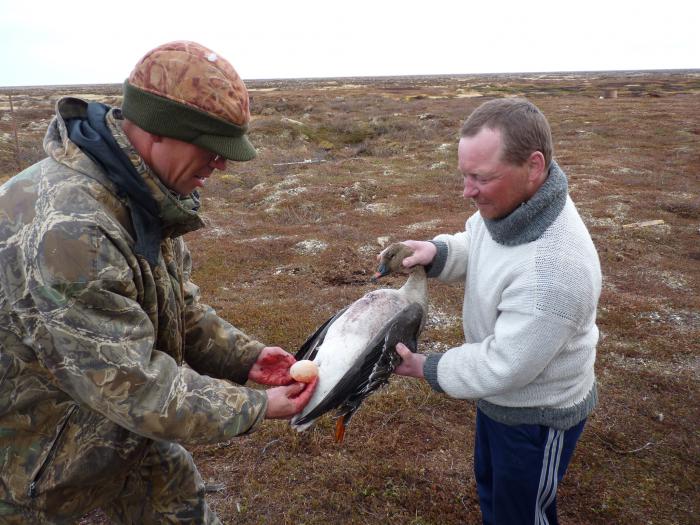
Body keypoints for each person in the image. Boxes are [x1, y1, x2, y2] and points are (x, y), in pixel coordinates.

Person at [0, 41, 316, 524]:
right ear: (157, 132)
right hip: (32, 457)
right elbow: (132, 384)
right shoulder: (70, 229)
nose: (222, 164)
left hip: (114, 428)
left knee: (177, 495)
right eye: (211, 148)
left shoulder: (142, 194)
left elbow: (177, 306)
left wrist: (245, 357)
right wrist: (253, 407)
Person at [391, 98, 602, 525]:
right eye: (464, 175)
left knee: (522, 514)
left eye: (480, 178)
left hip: (536, 417)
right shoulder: (510, 207)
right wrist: (437, 253)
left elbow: (504, 365)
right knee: (493, 491)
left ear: (534, 166)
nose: (467, 191)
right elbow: (479, 241)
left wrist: (423, 366)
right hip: (500, 402)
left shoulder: (556, 272)